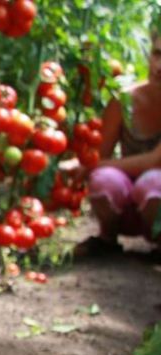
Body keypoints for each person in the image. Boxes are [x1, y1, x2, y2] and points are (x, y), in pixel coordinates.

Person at [76, 31, 161, 255]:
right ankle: (107, 238)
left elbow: (154, 162)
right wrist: (89, 166)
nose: (159, 66)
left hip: (156, 206)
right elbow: (99, 155)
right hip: (125, 208)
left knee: (154, 183)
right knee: (103, 180)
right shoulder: (124, 100)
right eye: (157, 54)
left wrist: (87, 167)